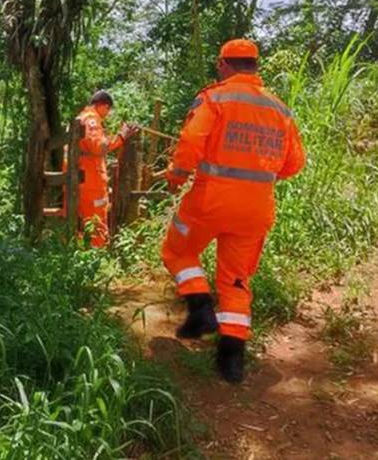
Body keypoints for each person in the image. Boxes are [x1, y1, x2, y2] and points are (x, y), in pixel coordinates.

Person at [161, 39, 306, 383]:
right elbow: (293, 164)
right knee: (236, 279)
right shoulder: (279, 109)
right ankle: (231, 359)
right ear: (255, 67)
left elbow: (191, 142)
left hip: (209, 201)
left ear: (224, 65)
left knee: (176, 251)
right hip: (255, 209)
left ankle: (200, 309)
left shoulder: (215, 98)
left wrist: (176, 175)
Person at [75, 90, 138, 247]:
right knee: (97, 219)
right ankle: (98, 256)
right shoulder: (91, 119)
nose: (107, 114)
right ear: (103, 106)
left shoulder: (80, 118)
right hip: (91, 181)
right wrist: (121, 137)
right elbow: (99, 147)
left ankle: (81, 254)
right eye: (108, 110)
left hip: (81, 178)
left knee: (81, 221)